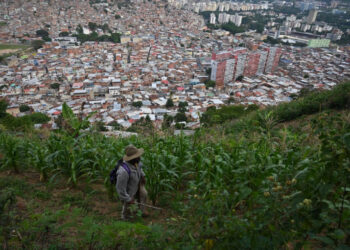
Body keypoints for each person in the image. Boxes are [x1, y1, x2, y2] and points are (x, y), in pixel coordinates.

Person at [116, 145, 148, 220]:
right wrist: (128, 199)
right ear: (132, 159)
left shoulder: (136, 162)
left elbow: (140, 168)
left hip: (136, 184)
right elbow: (120, 189)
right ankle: (125, 218)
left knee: (144, 194)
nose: (139, 157)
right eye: (137, 156)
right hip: (128, 190)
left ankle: (141, 211)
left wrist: (143, 176)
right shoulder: (123, 171)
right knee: (128, 206)